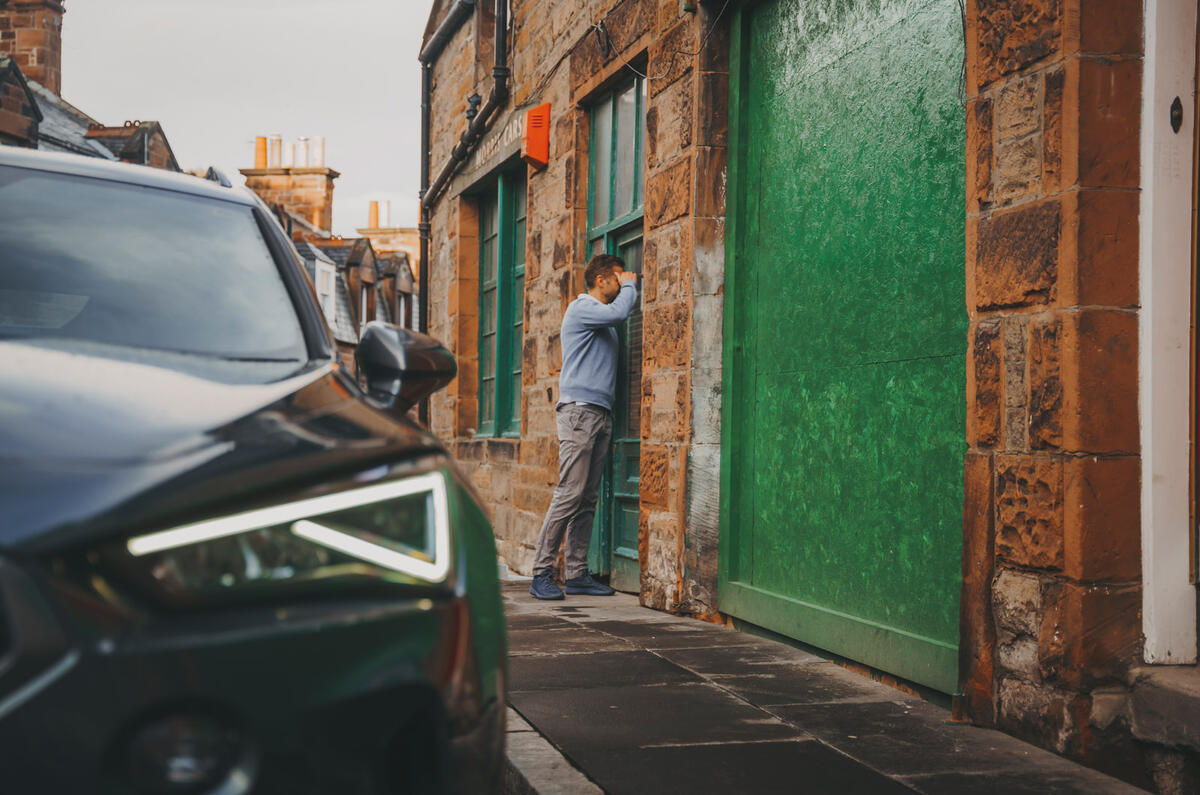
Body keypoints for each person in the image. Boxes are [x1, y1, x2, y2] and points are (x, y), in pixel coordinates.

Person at [529, 253, 638, 600]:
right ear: (602, 280)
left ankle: (576, 573)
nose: (622, 284)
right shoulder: (582, 308)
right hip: (579, 412)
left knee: (587, 497)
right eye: (618, 279)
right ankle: (541, 572)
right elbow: (621, 312)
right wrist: (633, 284)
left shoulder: (601, 319)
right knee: (569, 493)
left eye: (625, 280)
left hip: (600, 412)